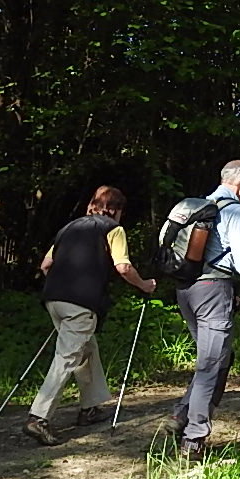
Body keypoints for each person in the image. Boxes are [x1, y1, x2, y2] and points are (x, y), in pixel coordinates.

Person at [23, 186, 156, 446]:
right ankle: (38, 417)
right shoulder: (113, 229)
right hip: (81, 303)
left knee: (86, 349)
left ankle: (90, 407)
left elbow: (46, 265)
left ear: (92, 205)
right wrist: (144, 285)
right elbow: (123, 267)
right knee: (67, 357)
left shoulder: (68, 228)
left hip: (53, 299)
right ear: (116, 210)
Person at [172, 160, 240, 461]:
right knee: (211, 363)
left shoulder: (199, 204)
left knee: (217, 357)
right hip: (213, 290)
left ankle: (182, 415)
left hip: (186, 289)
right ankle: (194, 437)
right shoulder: (235, 210)